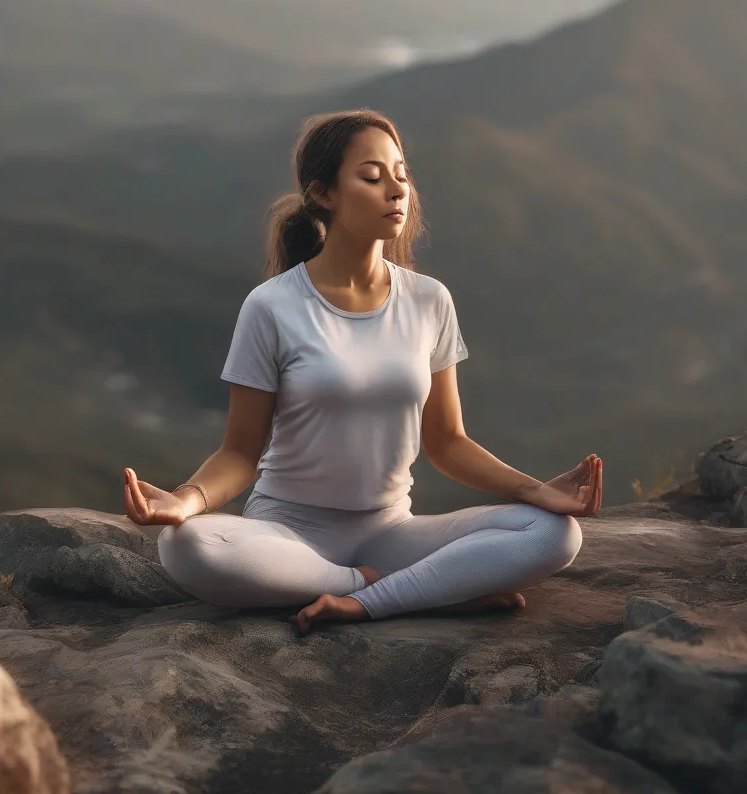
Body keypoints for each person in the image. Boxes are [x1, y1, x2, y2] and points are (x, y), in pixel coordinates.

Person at [123, 108, 602, 634]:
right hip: (288, 536)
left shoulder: (428, 299)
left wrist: (537, 492)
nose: (396, 190)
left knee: (554, 535)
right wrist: (187, 499)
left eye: (402, 174)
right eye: (372, 177)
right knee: (188, 545)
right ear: (323, 193)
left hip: (393, 532)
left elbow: (447, 441)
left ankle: (371, 594)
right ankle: (400, 589)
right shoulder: (272, 307)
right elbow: (240, 451)